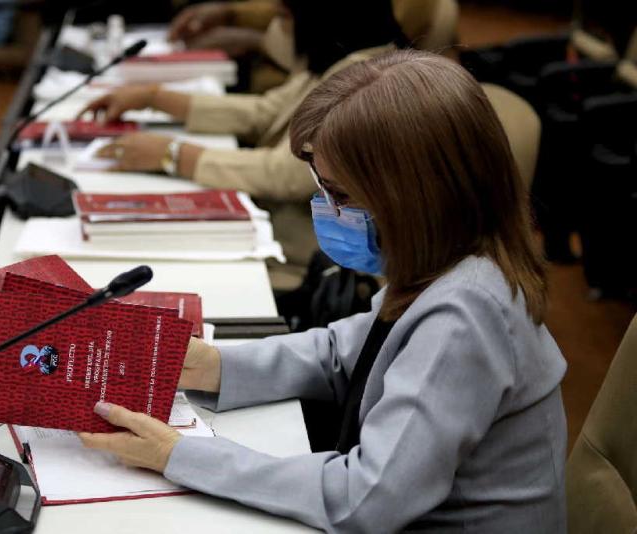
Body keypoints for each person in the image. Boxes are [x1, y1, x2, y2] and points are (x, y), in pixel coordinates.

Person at [78, 50, 568, 532]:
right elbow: (344, 352)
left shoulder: (466, 314)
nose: (329, 211)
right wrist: (214, 365)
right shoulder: (449, 265)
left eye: (343, 195)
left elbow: (367, 499)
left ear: (417, 198)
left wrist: (180, 455)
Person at [78, 0, 406, 289]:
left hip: (302, 255)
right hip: (275, 230)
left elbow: (284, 174)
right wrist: (156, 97)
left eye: (286, 16)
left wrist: (173, 155)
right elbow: (267, 112)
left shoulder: (366, 79)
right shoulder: (346, 57)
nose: (277, 27)